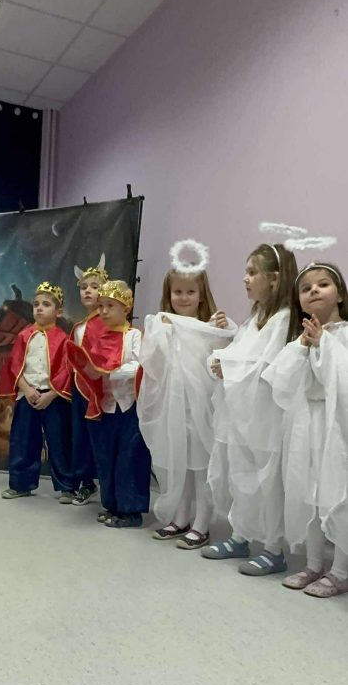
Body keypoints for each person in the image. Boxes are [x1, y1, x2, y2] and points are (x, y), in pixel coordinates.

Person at [200, 243, 298, 575]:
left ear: (274, 278)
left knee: (268, 482)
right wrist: (220, 360)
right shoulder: (255, 318)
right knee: (240, 475)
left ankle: (273, 549)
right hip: (241, 415)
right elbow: (239, 353)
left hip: (266, 418)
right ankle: (240, 536)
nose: (245, 278)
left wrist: (228, 366)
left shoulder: (284, 320)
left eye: (252, 272)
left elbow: (268, 366)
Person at [263, 261, 348, 597]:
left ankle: (341, 570)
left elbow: (341, 379)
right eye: (305, 288)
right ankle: (314, 564)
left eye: (323, 284)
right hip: (306, 424)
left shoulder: (344, 335)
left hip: (337, 427)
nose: (314, 290)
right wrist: (304, 346)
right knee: (307, 494)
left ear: (339, 294)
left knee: (338, 495)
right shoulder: (301, 339)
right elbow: (281, 381)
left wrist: (323, 344)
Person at [137, 266, 237, 548]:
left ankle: (202, 524)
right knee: (178, 462)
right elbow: (152, 364)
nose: (183, 297)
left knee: (201, 466)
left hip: (202, 407)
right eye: (177, 291)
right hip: (174, 406)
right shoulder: (163, 324)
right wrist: (159, 334)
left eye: (190, 291)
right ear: (168, 294)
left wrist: (221, 331)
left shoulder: (210, 326)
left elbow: (221, 356)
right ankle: (181, 518)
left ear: (201, 294)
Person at [68, 280, 151, 528]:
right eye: (101, 305)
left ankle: (131, 510)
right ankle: (112, 504)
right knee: (106, 457)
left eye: (110, 306)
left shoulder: (134, 336)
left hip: (129, 406)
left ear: (126, 308)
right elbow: (89, 368)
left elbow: (140, 365)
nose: (103, 311)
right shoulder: (97, 339)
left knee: (130, 457)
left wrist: (108, 372)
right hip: (103, 406)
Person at [0, 283, 76, 502]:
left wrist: (51, 394)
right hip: (28, 396)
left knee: (59, 441)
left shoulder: (63, 339)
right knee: (23, 440)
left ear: (58, 311)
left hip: (53, 397)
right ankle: (21, 484)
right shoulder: (24, 336)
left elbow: (66, 370)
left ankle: (67, 486)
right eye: (36, 304)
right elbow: (15, 365)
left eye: (46, 304)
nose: (39, 308)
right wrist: (27, 389)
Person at [69, 263, 109, 506]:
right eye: (84, 287)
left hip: (100, 389)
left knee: (100, 437)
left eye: (94, 287)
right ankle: (86, 482)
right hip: (79, 387)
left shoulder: (107, 323)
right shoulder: (79, 327)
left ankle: (108, 487)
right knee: (80, 436)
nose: (88, 291)